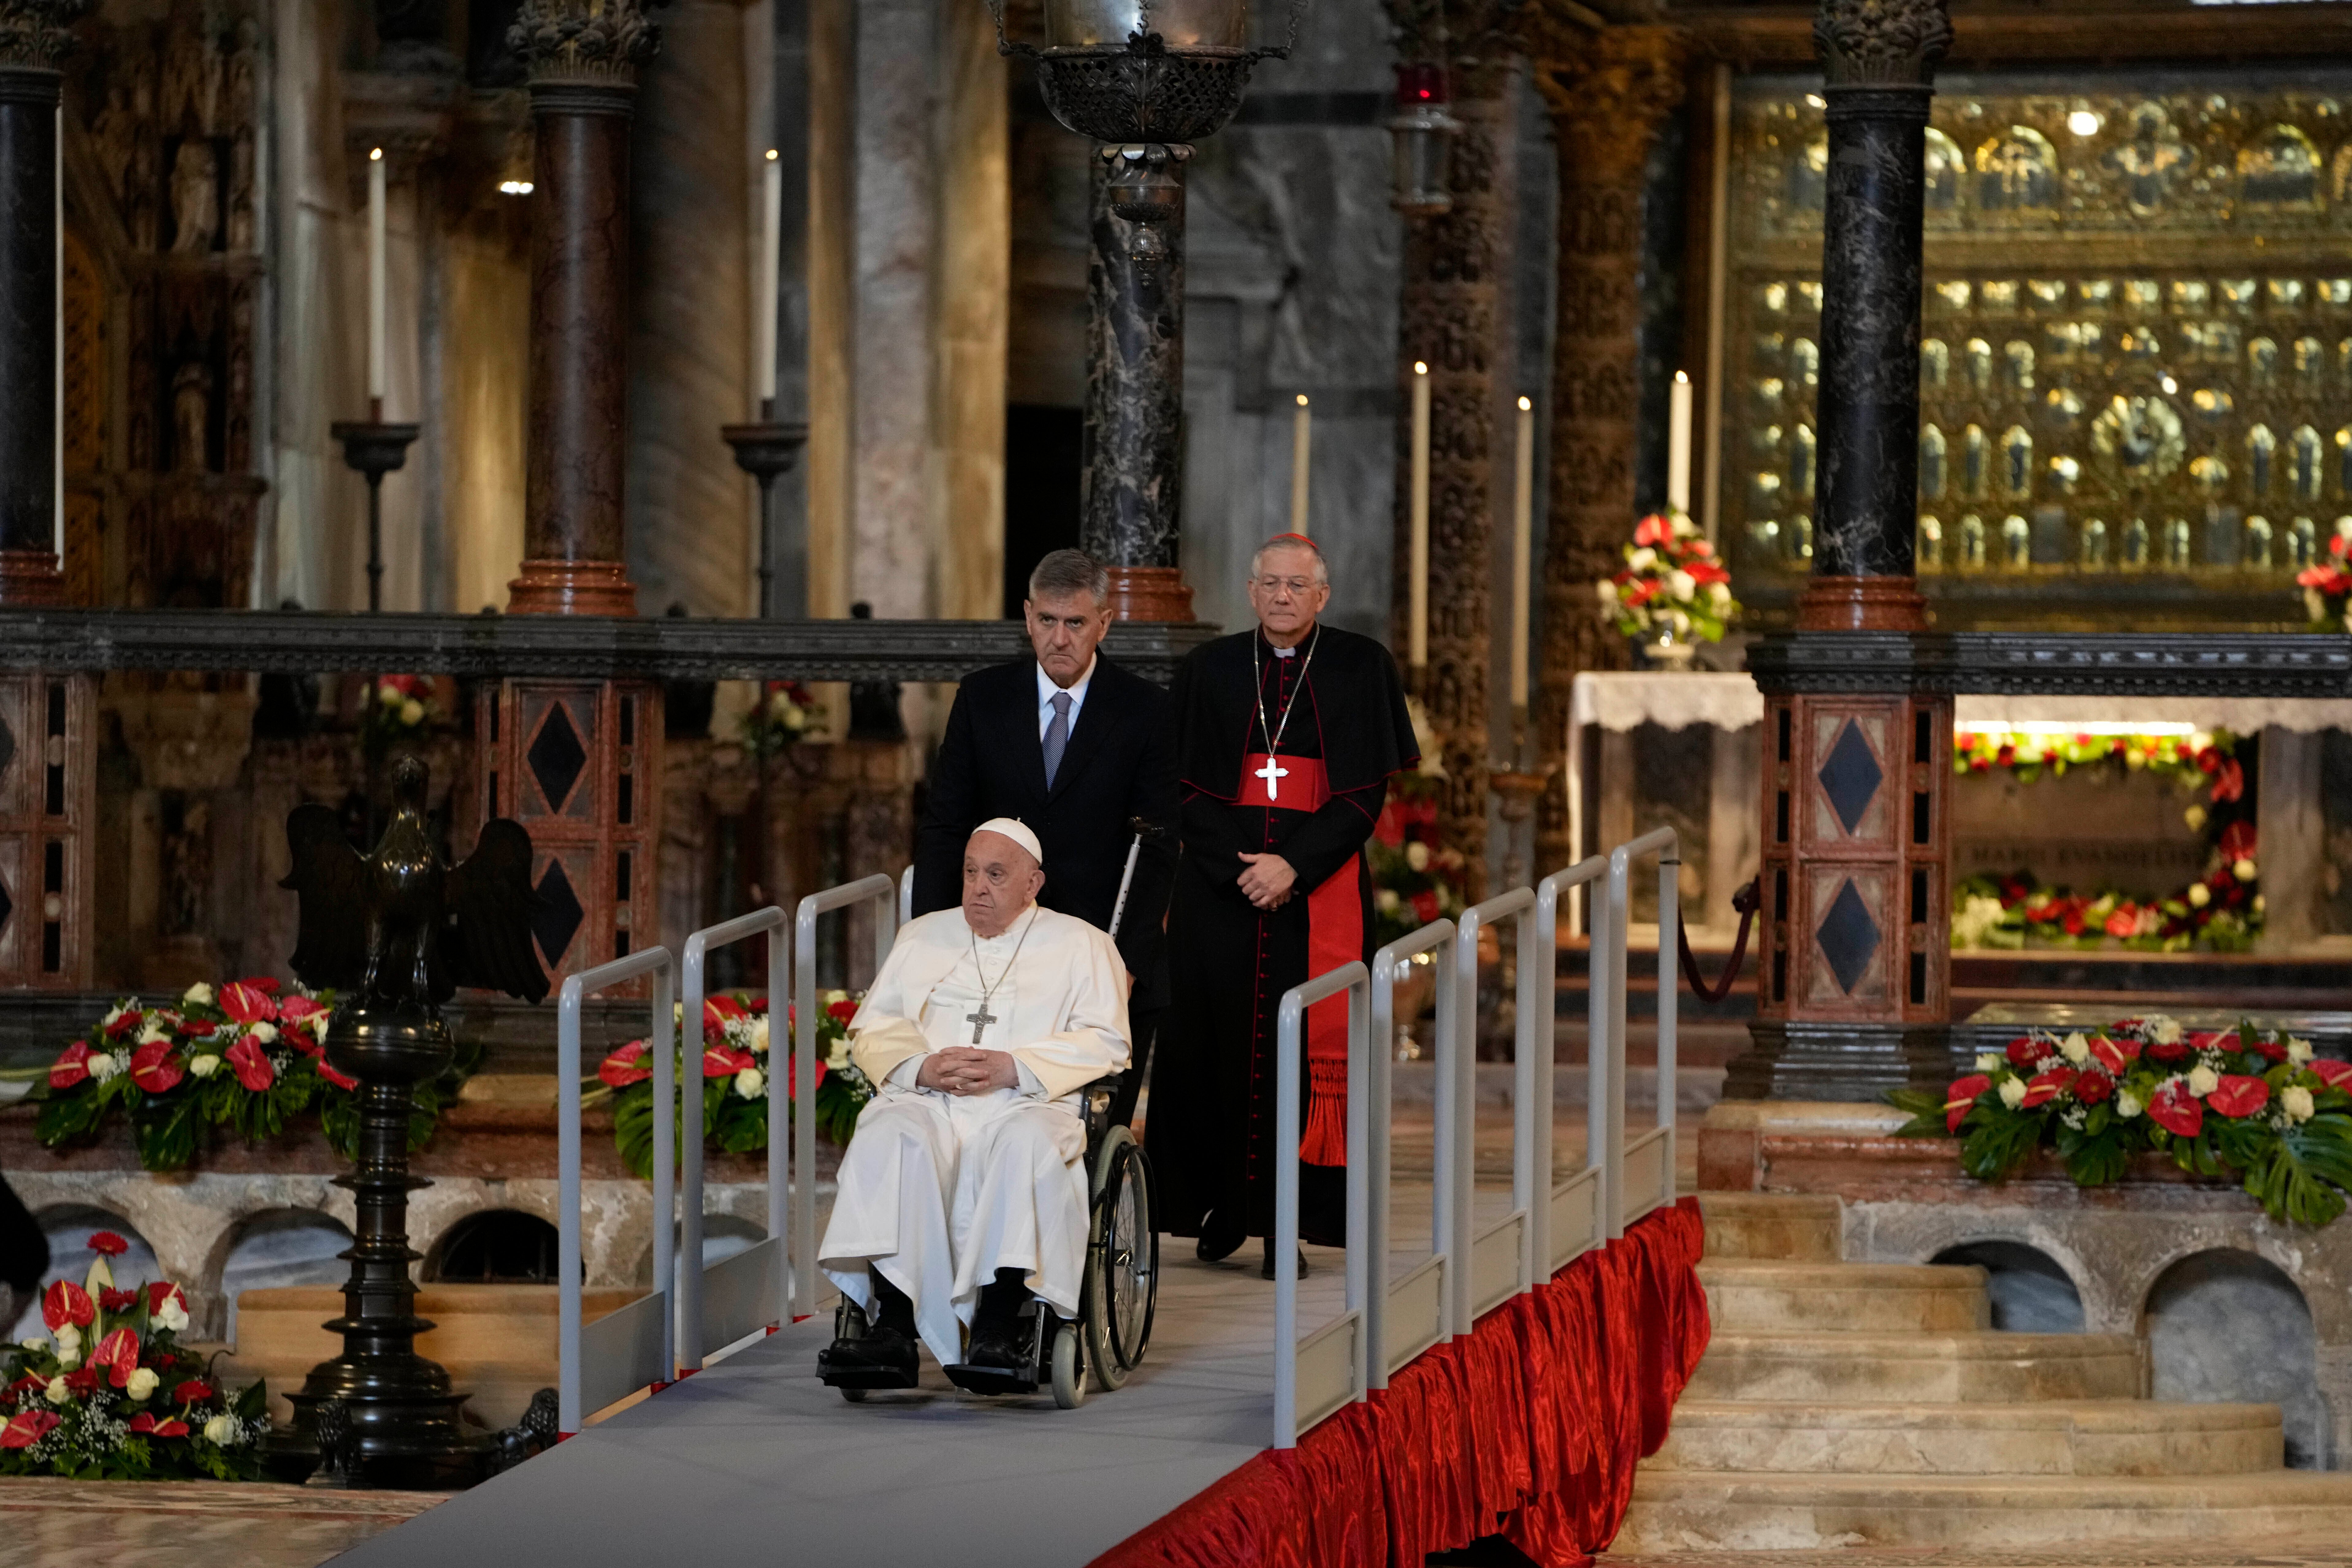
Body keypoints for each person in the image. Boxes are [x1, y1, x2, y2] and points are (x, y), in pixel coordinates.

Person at [1152, 534, 1418, 1276]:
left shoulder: (1361, 667)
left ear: (1321, 595)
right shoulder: (1209, 669)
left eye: (1296, 585)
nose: (1281, 596)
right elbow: (1185, 790)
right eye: (1268, 583)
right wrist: (1242, 871)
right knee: (1213, 1048)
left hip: (1316, 895)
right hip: (1219, 895)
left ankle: (1287, 1226)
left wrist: (1292, 866)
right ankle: (1217, 1210)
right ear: (1249, 590)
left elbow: (1364, 796)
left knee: (1299, 1058)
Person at [818, 820, 1130, 1381]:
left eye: (995, 875)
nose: (977, 888)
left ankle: (997, 1327)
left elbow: (1108, 1042)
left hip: (1027, 1103)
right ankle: (893, 1327)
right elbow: (877, 1027)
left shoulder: (1084, 944)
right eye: (969, 872)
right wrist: (923, 1067)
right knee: (890, 1133)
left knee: (1022, 1145)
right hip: (932, 1102)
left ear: (1033, 884)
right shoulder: (922, 936)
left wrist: (1018, 1067)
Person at [912, 547, 1177, 1126]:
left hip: (1100, 960)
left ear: (1104, 624)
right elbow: (945, 827)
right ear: (1028, 618)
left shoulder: (1146, 711)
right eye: (1048, 622)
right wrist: (931, 947)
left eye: (1076, 623)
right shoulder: (983, 698)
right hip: (993, 961)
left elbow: (1157, 849)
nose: (1060, 639)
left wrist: (1124, 971)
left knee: (1090, 1140)